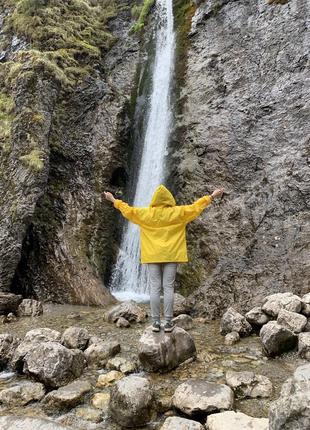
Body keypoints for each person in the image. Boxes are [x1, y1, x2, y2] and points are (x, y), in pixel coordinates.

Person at [104, 184, 224, 332]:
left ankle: (155, 323)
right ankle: (168, 322)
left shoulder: (146, 214)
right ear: (169, 199)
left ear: (154, 200)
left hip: (152, 255)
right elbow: (195, 207)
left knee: (154, 288)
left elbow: (128, 210)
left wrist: (113, 199)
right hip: (171, 254)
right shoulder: (178, 212)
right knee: (168, 287)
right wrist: (211, 196)